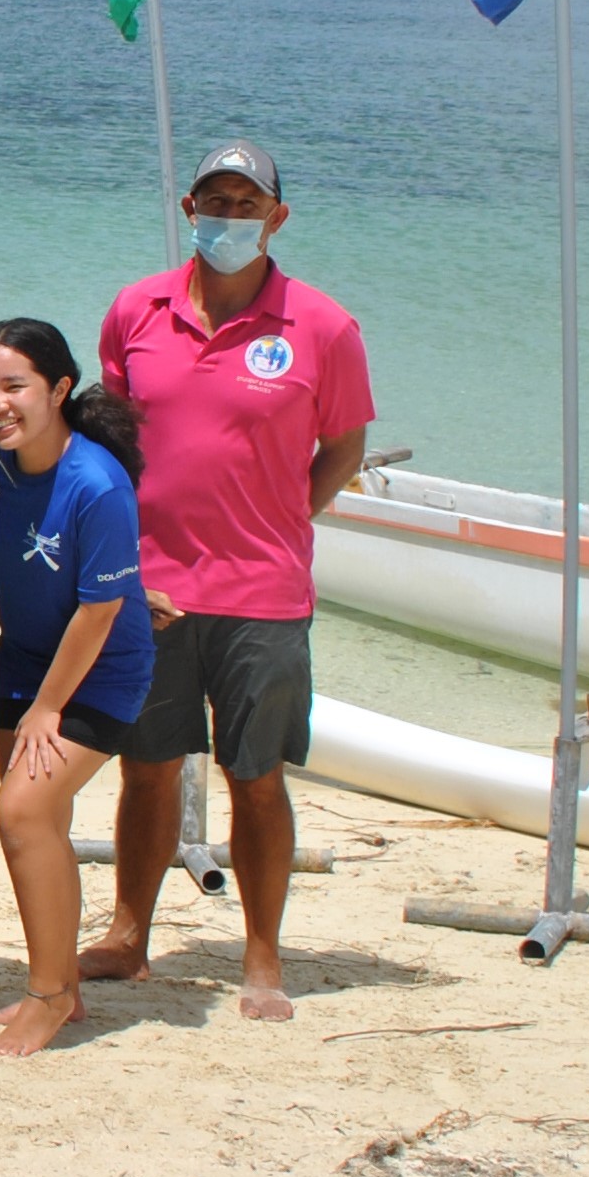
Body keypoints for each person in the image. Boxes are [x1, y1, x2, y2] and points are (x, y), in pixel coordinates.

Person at [87, 139, 373, 1022]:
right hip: (153, 588)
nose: (229, 218)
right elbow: (107, 436)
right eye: (215, 201)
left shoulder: (323, 326)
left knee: (257, 777)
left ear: (277, 217)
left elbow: (345, 445)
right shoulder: (136, 309)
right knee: (146, 771)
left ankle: (261, 952)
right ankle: (129, 935)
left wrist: (288, 518)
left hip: (265, 596)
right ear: (188, 210)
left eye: (246, 204)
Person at [0, 318, 156, 1056]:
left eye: (15, 386)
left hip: (100, 670)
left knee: (21, 809)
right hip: (21, 661)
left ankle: (48, 996)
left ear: (60, 389)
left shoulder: (97, 482)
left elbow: (101, 605)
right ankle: (58, 986)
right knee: (31, 828)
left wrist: (50, 706)